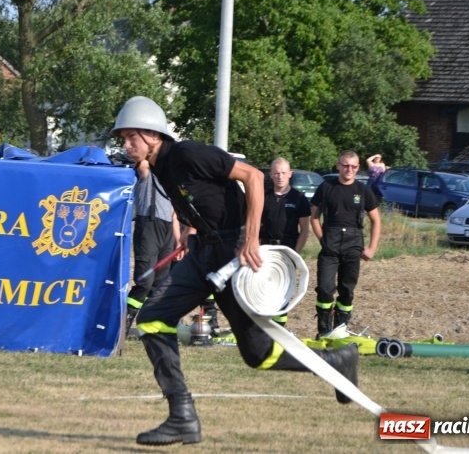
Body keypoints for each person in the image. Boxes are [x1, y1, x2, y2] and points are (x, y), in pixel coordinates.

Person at [112, 96, 359, 446]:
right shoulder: (161, 168)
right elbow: (199, 201)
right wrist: (188, 233)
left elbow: (253, 177)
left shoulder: (189, 154)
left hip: (232, 251)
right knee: (152, 320)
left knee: (258, 354)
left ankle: (334, 361)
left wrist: (251, 238)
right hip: (203, 251)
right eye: (123, 138)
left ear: (152, 135)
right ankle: (182, 417)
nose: (126, 145)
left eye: (131, 137)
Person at [310, 150, 381, 339]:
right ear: (338, 166)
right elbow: (314, 217)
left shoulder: (363, 190)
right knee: (325, 289)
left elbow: (376, 220)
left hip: (353, 245)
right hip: (330, 245)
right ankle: (324, 331)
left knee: (347, 291)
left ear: (358, 168)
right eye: (346, 165)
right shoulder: (326, 187)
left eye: (354, 166)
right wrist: (323, 240)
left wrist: (372, 248)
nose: (349, 169)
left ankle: (339, 330)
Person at [126, 159, 183, 337]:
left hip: (167, 231)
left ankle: (150, 328)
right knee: (145, 282)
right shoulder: (147, 173)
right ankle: (122, 326)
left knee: (159, 284)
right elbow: (142, 161)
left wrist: (178, 242)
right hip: (148, 227)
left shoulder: (171, 179)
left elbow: (174, 215)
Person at [259, 157, 311, 326]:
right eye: (276, 173)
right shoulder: (263, 196)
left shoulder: (299, 198)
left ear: (290, 174)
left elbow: (305, 230)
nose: (280, 176)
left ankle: (279, 326)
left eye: (283, 173)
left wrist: (295, 254)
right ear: (270, 175)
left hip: (287, 249)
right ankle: (263, 325)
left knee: (282, 289)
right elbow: (254, 224)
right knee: (262, 287)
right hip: (266, 248)